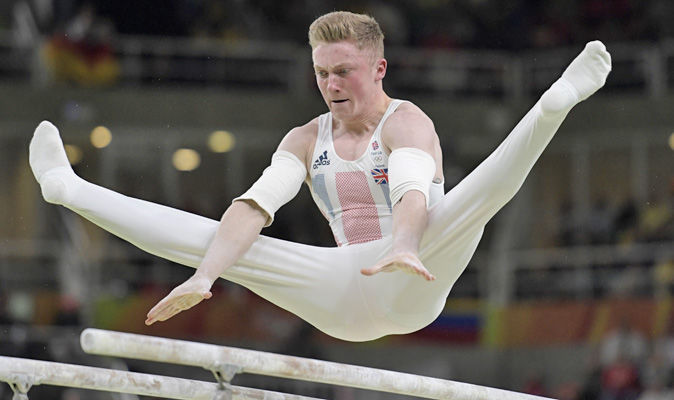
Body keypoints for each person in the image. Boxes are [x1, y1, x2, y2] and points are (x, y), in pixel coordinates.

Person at [29, 11, 611, 342]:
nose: (331, 85)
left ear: (378, 68)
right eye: (321, 73)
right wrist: (206, 277)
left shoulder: (407, 123)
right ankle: (68, 189)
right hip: (340, 288)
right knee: (221, 241)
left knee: (471, 200)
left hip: (415, 276)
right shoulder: (305, 141)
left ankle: (550, 107)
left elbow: (411, 191)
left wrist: (405, 246)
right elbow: (255, 207)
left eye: (344, 72)